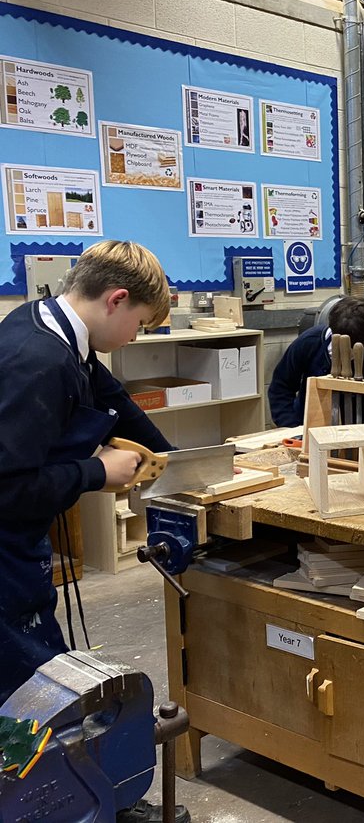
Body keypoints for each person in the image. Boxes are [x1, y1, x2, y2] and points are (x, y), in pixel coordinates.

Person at [0, 240, 189, 823]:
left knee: (47, 682)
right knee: (34, 698)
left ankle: (75, 798)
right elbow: (6, 489)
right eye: (140, 323)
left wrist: (180, 465)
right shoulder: (41, 360)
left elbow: (114, 404)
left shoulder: (55, 330)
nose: (136, 337)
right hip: (3, 553)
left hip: (19, 546)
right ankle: (51, 806)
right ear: (116, 299)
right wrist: (95, 472)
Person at [268, 296, 364, 427]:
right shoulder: (309, 342)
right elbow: (281, 387)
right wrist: (291, 426)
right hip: (307, 426)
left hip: (359, 430)